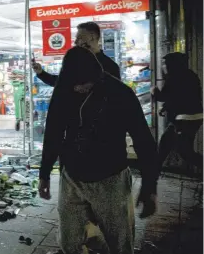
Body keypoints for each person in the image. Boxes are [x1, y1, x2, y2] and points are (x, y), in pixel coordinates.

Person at [38, 45, 161, 254]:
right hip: (72, 177)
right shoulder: (64, 89)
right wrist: (44, 174)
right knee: (69, 242)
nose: (78, 89)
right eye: (73, 85)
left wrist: (149, 187)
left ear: (96, 77)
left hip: (110, 178)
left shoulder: (120, 93)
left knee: (120, 243)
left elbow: (143, 141)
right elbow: (53, 133)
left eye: (83, 85)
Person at [152, 52, 203, 169]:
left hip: (183, 118)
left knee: (184, 151)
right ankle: (154, 169)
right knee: (168, 143)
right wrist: (166, 107)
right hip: (195, 117)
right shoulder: (191, 75)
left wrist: (154, 91)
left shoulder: (173, 77)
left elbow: (163, 96)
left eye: (165, 64)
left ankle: (154, 170)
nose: (164, 67)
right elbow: (180, 97)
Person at [32, 22, 121, 86]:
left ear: (92, 37)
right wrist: (41, 73)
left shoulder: (111, 67)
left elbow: (115, 98)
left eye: (80, 38)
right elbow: (61, 83)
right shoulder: (77, 63)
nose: (76, 42)